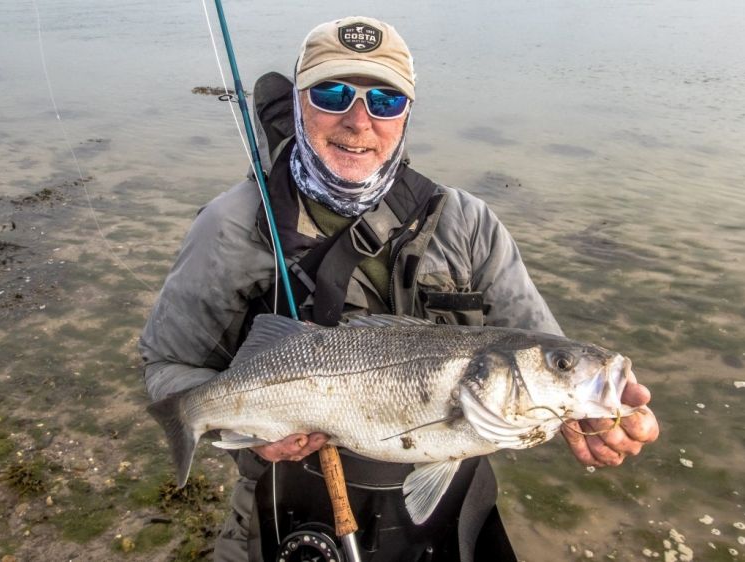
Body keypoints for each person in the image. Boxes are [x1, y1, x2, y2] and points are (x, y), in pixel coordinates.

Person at [140, 16, 659, 562]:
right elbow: (164, 365)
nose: (358, 121)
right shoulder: (230, 226)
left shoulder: (470, 224)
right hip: (281, 497)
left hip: (455, 505)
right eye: (333, 94)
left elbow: (542, 352)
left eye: (385, 101)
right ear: (298, 103)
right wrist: (242, 433)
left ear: (407, 113)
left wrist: (589, 415)